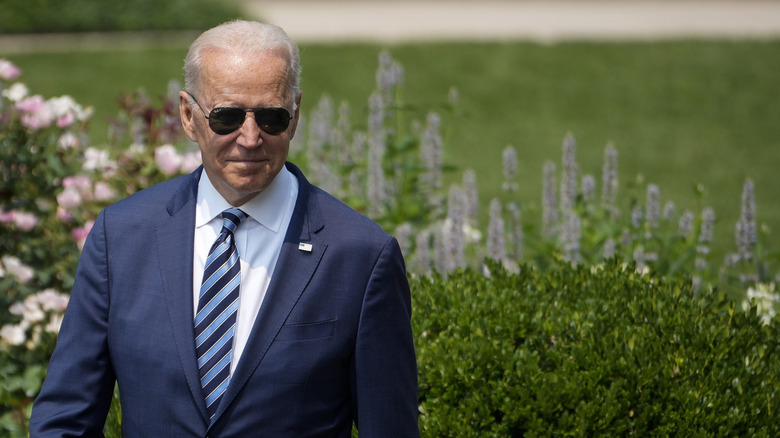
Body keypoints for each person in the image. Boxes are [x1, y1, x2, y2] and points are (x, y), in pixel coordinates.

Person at [29, 20, 419, 437]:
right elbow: (65, 417)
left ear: (296, 115)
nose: (250, 138)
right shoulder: (121, 237)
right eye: (227, 117)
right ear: (188, 115)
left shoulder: (360, 255)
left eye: (271, 117)